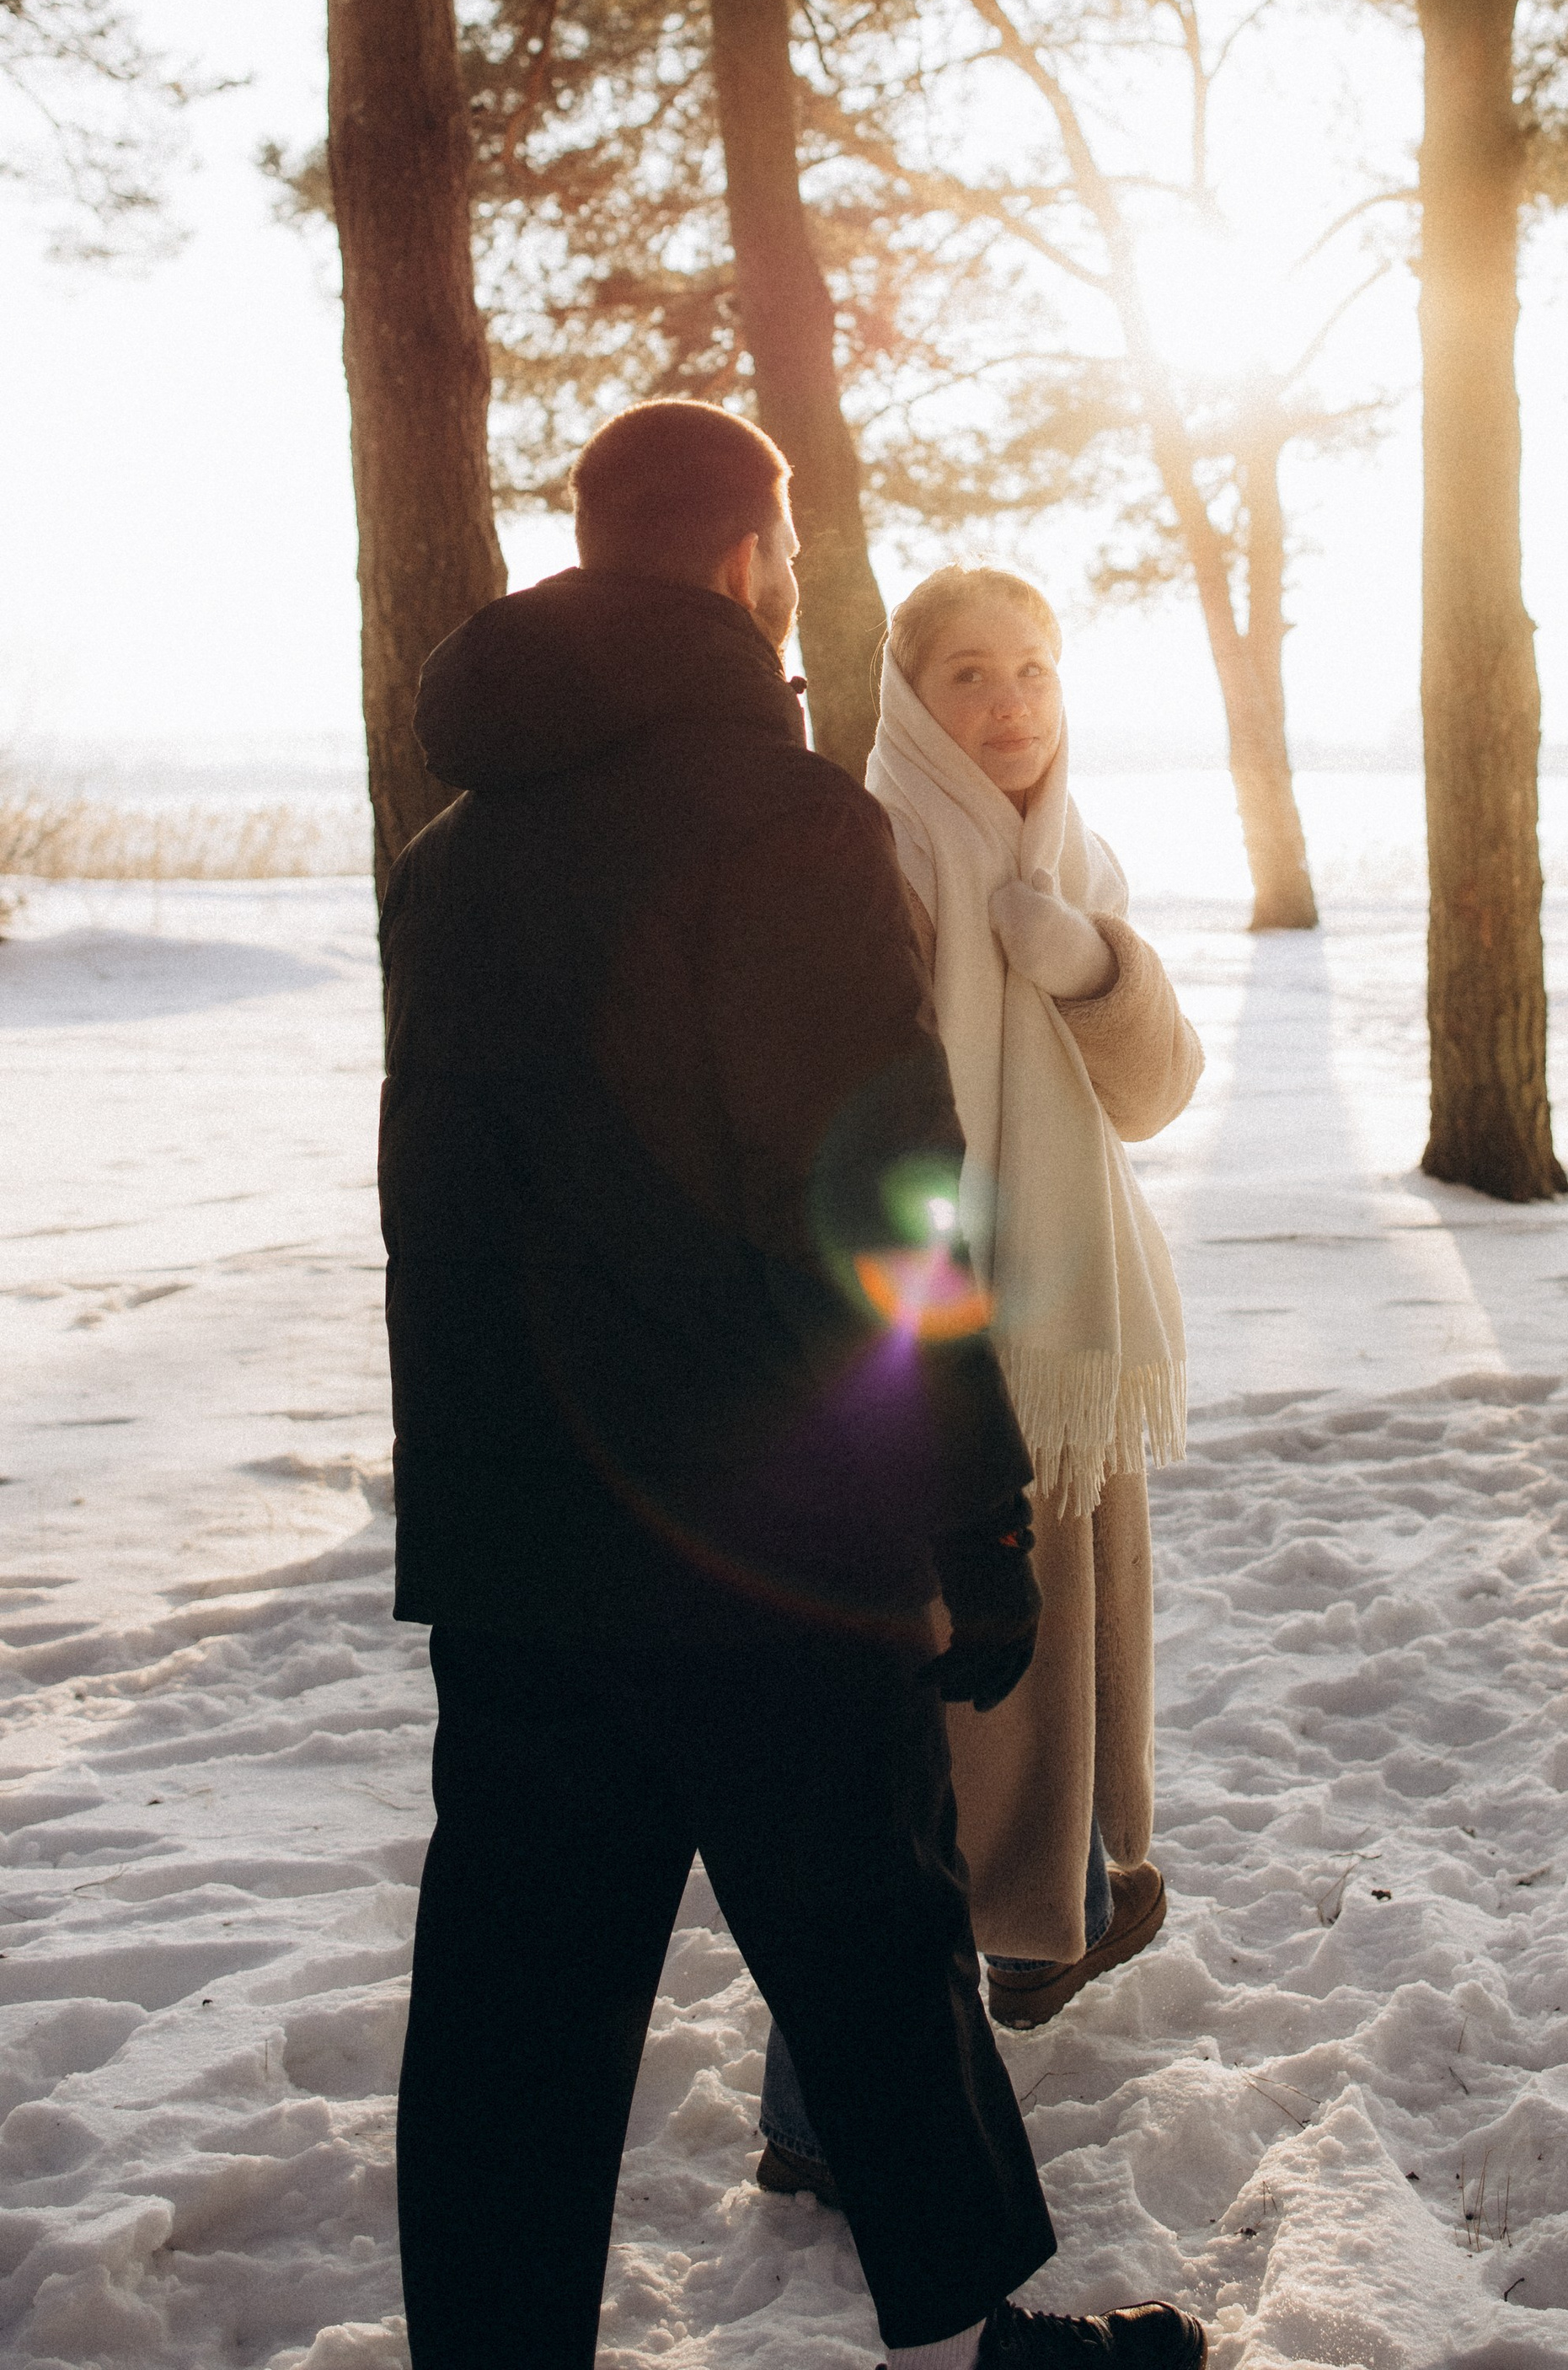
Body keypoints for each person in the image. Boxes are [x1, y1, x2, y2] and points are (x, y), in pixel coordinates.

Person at [381, 401, 1204, 2370]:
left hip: (519, 1533)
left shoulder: (450, 855)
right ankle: (971, 2337)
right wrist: (970, 1512)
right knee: (878, 1950)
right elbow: (881, 1202)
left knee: (510, 2007)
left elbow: (438, 1204)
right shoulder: (787, 824)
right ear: (756, 560)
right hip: (763, 1535)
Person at [761, 564, 1201, 2196]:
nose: (1010, 704)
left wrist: (1087, 965)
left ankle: (1053, 1915)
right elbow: (864, 1131)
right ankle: (825, 2115)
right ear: (908, 695)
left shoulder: (1074, 855)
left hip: (1074, 1333)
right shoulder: (878, 849)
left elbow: (1151, 1095)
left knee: (1044, 1669)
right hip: (939, 1346)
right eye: (969, 674)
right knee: (920, 1734)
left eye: (1033, 669)